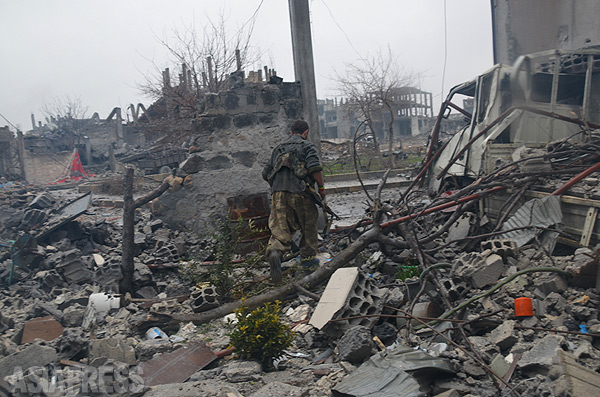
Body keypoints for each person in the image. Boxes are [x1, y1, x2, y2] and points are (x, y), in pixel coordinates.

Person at [262, 120, 326, 283]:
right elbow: (314, 169)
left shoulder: (278, 149)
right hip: (301, 193)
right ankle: (309, 265)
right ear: (305, 132)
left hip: (278, 195)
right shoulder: (307, 146)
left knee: (280, 229)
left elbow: (265, 173)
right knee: (308, 227)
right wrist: (322, 189)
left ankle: (276, 251)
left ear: (291, 132)